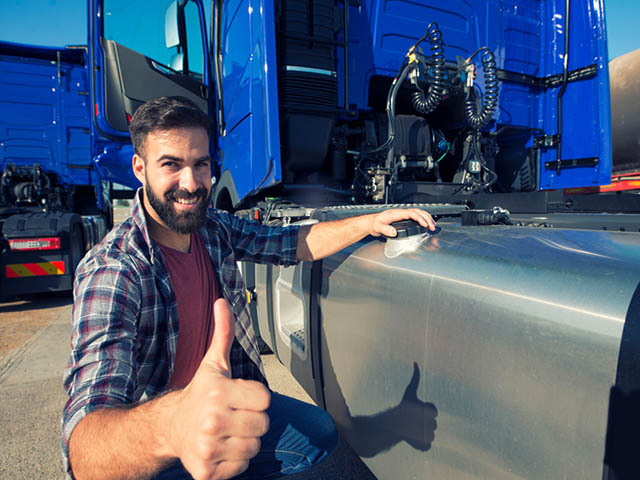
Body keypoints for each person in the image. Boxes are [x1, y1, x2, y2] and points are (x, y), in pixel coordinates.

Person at [62, 96, 436, 480]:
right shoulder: (115, 270)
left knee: (318, 433)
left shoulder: (213, 228)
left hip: (226, 407)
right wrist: (173, 426)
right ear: (139, 168)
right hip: (161, 439)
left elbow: (291, 243)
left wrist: (368, 222)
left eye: (200, 164)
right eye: (171, 165)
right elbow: (86, 449)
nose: (190, 184)